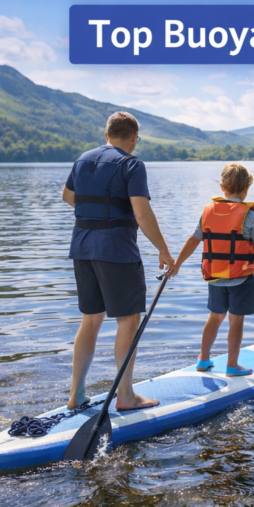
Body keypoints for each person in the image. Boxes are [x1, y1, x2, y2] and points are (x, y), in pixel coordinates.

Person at [63, 111, 174, 411]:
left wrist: (98, 210)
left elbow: (67, 196)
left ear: (106, 135)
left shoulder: (83, 159)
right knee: (128, 320)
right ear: (134, 139)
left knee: (91, 319)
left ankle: (76, 394)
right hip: (117, 252)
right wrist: (163, 250)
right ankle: (125, 396)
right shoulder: (132, 164)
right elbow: (141, 212)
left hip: (83, 248)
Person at [170, 163, 254, 376]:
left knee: (215, 317)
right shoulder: (250, 216)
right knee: (236, 321)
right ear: (247, 188)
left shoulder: (208, 212)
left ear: (222, 187)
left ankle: (203, 360)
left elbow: (193, 241)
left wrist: (177, 264)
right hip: (241, 278)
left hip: (214, 276)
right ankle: (232, 366)